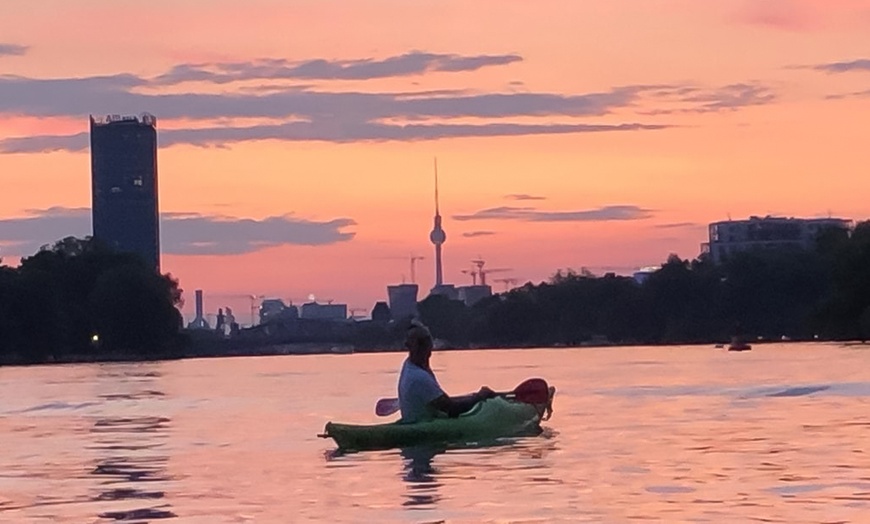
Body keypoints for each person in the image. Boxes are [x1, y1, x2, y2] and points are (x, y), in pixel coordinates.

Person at [398, 321, 496, 423]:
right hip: (428, 425)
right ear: (429, 345)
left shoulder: (408, 365)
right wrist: (479, 397)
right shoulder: (419, 377)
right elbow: (452, 409)